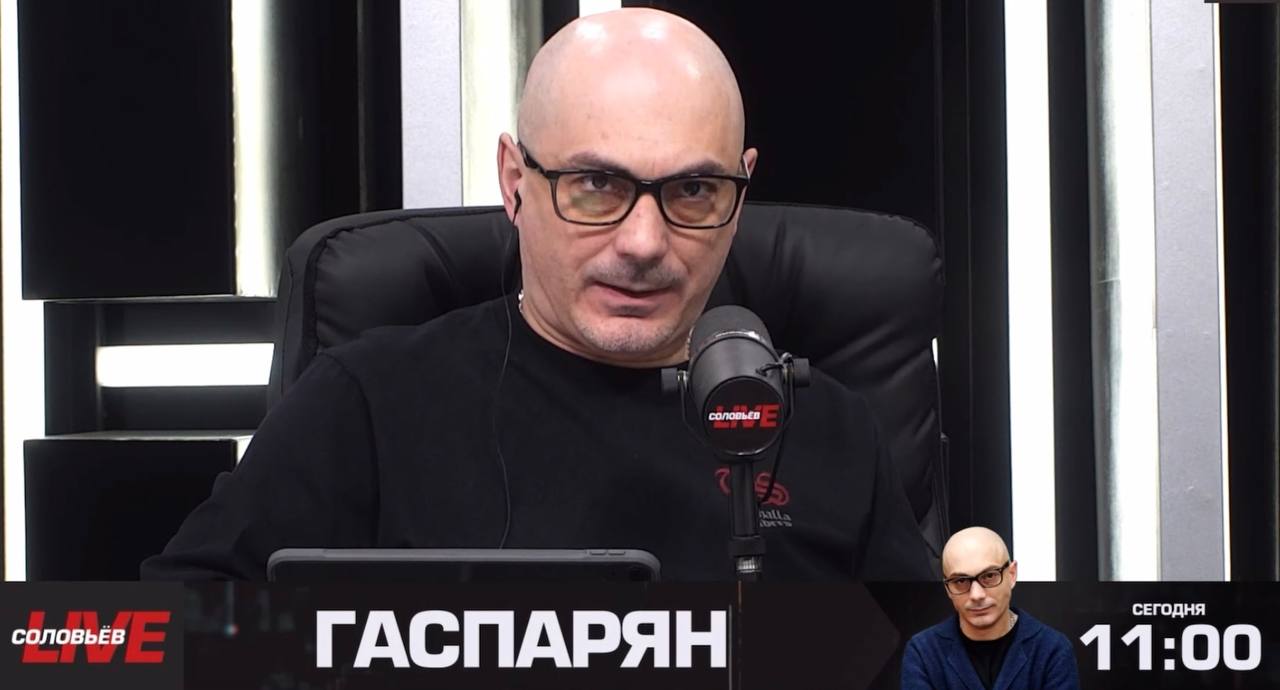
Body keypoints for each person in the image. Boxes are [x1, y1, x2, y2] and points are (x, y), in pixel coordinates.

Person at [141, 8, 932, 581]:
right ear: (515, 182)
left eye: (693, 190)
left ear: (741, 188)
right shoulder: (365, 407)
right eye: (595, 185)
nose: (644, 242)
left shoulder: (832, 432)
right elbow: (164, 643)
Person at [901, 527, 1079, 689]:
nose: (976, 595)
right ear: (947, 588)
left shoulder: (1052, 649)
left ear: (1012, 574)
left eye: (989, 576)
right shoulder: (924, 652)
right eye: (961, 581)